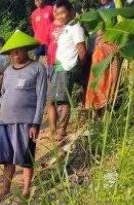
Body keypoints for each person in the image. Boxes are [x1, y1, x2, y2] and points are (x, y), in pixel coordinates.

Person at [0, 31, 47, 201]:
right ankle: (5, 188)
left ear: (26, 50)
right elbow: (4, 93)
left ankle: (26, 190)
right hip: (6, 121)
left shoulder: (38, 68)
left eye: (18, 51)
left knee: (26, 157)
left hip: (26, 121)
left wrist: (36, 123)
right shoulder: (8, 70)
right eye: (11, 52)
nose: (15, 55)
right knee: (7, 158)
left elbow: (41, 97)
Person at [46, 0, 86, 144]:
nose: (60, 16)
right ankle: (54, 129)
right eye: (57, 13)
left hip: (67, 68)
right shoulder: (65, 28)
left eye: (63, 12)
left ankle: (62, 130)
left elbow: (81, 49)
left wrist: (77, 66)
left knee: (64, 100)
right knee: (52, 99)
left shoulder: (76, 27)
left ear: (70, 11)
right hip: (58, 67)